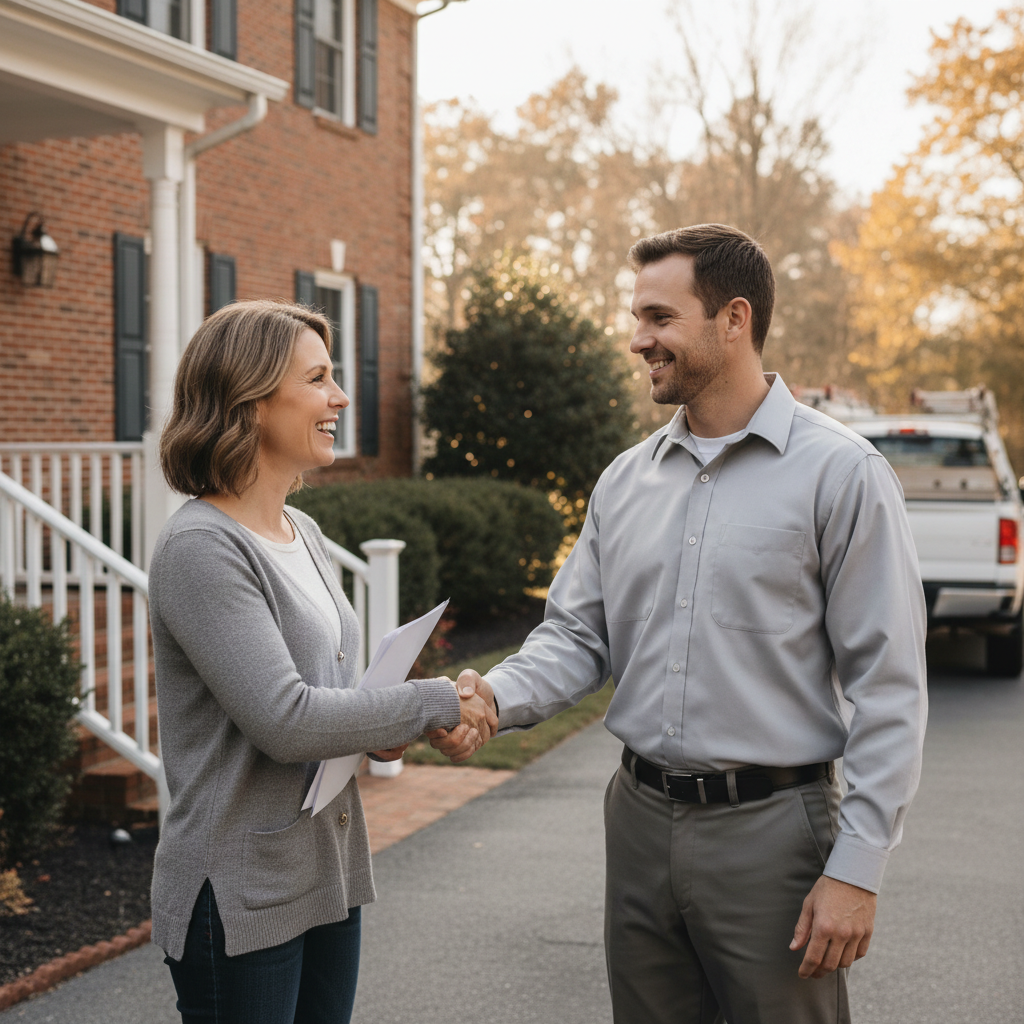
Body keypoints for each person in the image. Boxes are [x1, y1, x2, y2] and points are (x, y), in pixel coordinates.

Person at [438, 225, 928, 1024]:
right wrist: (490, 696)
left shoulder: (843, 474)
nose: (639, 340)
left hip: (773, 833)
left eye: (660, 318)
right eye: (638, 319)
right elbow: (575, 636)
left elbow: (891, 688)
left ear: (734, 319)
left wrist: (858, 868)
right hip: (637, 822)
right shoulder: (625, 481)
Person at [149, 299, 496, 1024]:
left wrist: (376, 728)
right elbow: (286, 719)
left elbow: (325, 695)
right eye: (318, 379)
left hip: (325, 869)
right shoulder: (202, 549)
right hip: (238, 890)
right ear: (250, 398)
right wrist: (430, 702)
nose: (340, 397)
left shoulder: (301, 531)